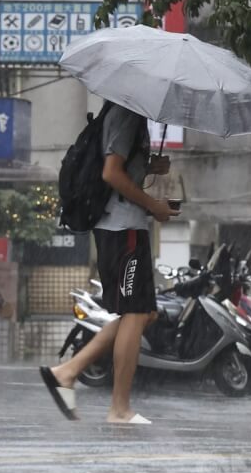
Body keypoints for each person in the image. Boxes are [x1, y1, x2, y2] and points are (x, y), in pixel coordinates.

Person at [40, 102, 179, 424]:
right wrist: (154, 205)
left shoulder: (128, 114)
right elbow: (110, 172)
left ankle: (68, 371)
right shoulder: (127, 112)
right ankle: (119, 408)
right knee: (135, 313)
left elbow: (120, 165)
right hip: (122, 230)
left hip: (126, 228)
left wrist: (148, 166)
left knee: (145, 314)